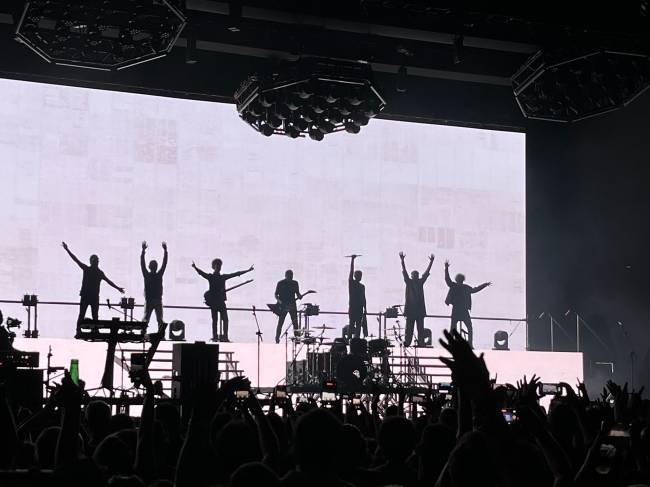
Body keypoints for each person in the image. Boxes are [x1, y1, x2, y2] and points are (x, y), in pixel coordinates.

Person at [62, 242, 124, 335]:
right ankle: (90, 329)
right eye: (96, 260)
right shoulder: (96, 272)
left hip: (89, 296)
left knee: (86, 314)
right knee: (90, 315)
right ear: (94, 261)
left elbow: (76, 260)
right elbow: (109, 281)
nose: (96, 262)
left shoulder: (90, 270)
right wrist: (118, 288)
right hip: (91, 296)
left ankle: (83, 329)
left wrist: (118, 288)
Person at [192, 259, 253, 342]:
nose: (219, 268)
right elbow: (201, 273)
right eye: (217, 266)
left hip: (219, 302)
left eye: (220, 266)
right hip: (215, 302)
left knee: (224, 319)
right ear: (214, 267)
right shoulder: (212, 277)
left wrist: (248, 270)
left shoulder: (220, 277)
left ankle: (223, 336)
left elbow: (236, 274)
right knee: (216, 320)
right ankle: (216, 336)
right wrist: (195, 267)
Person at [444, 260, 491, 348]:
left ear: (456, 279)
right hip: (464, 311)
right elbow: (475, 290)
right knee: (469, 328)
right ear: (463, 280)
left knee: (453, 328)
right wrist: (484, 285)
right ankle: (470, 344)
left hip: (456, 310)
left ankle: (451, 344)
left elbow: (447, 280)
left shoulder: (454, 285)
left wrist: (446, 268)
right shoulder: (466, 288)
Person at [399, 251, 434, 347]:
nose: (415, 276)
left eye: (416, 275)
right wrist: (402, 261)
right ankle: (414, 343)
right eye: (415, 275)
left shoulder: (415, 282)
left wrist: (431, 262)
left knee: (414, 329)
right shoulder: (414, 282)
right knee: (414, 329)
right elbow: (405, 271)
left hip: (415, 311)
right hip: (415, 311)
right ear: (413, 276)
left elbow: (426, 273)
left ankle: (415, 343)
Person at [140, 241, 168, 336]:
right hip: (157, 299)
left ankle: (143, 333)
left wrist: (143, 252)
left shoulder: (147, 275)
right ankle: (161, 334)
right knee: (159, 318)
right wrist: (165, 252)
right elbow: (164, 264)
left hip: (150, 300)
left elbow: (142, 264)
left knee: (146, 318)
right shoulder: (158, 275)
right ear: (155, 267)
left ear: (150, 267)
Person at [274, 270, 304, 344]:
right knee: (280, 323)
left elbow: (298, 294)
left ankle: (297, 340)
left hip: (292, 305)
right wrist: (280, 302)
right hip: (283, 306)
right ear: (286, 275)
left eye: (292, 275)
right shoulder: (280, 283)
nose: (291, 276)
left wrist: (300, 296)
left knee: (295, 323)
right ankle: (277, 339)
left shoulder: (295, 283)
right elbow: (276, 294)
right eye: (289, 275)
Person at [347, 255, 367, 340]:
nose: (360, 277)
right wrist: (352, 260)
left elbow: (364, 298)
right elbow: (351, 272)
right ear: (356, 276)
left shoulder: (362, 286)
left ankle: (357, 339)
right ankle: (349, 338)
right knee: (352, 324)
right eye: (358, 275)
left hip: (359, 308)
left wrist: (365, 308)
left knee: (358, 325)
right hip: (353, 307)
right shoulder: (351, 283)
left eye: (361, 275)